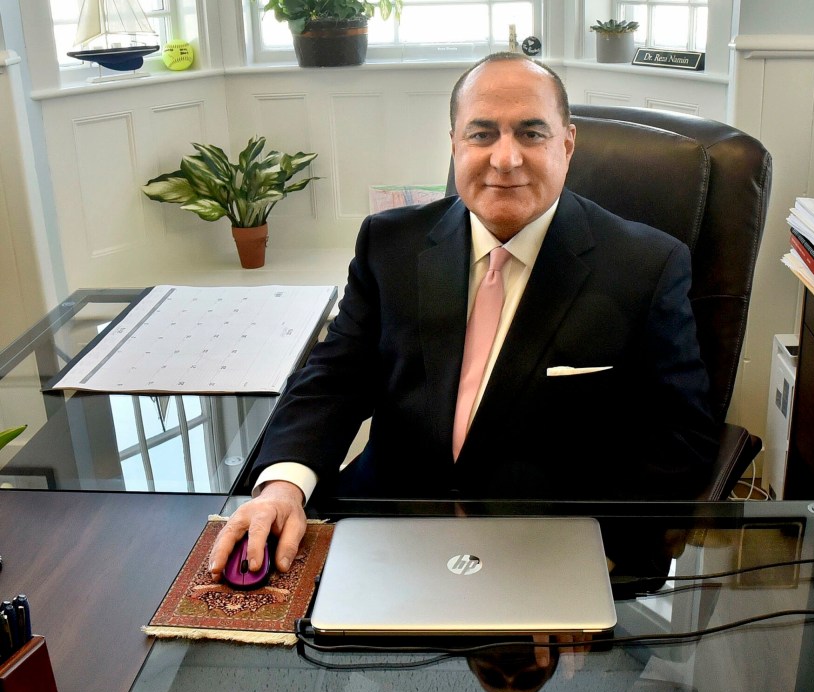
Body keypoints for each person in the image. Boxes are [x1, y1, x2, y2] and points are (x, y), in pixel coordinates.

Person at [209, 52, 718, 583]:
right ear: (454, 143)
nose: (505, 159)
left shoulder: (646, 266)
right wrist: (285, 486)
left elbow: (681, 437)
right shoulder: (390, 244)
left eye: (531, 133)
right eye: (481, 134)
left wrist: (578, 553)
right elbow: (334, 377)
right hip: (387, 528)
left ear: (566, 144)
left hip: (547, 550)